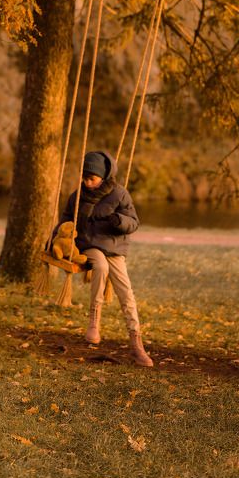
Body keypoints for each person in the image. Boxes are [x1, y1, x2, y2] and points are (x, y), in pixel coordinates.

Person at [57, 149, 153, 367]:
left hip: (115, 247)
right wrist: (56, 237)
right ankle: (94, 321)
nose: (87, 182)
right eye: (84, 178)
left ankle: (136, 342)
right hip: (89, 245)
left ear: (103, 175)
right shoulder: (77, 196)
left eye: (92, 178)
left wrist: (119, 221)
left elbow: (134, 222)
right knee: (99, 265)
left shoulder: (120, 194)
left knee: (126, 292)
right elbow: (65, 219)